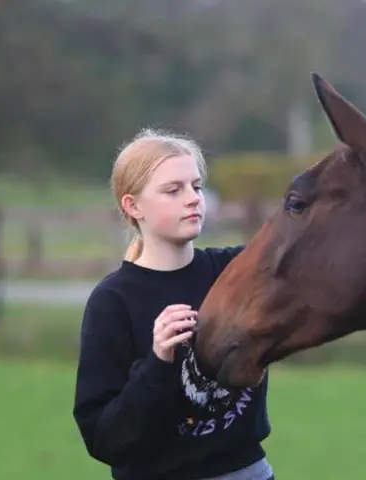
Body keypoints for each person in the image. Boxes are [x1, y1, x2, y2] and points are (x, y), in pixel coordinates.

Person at [72, 128, 274, 480]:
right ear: (132, 205)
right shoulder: (113, 302)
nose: (194, 198)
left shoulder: (236, 271)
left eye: (196, 186)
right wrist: (159, 361)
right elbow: (104, 439)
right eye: (173, 190)